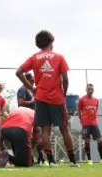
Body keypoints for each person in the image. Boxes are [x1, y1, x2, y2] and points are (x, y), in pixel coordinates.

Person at [16, 30, 78, 167]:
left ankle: (50, 161)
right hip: (57, 98)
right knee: (64, 129)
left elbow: (18, 72)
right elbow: (65, 79)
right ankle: (73, 161)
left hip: (41, 98)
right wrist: (64, 93)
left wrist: (31, 88)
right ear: (51, 42)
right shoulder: (59, 57)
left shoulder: (34, 57)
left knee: (46, 130)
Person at [18, 72, 45, 165]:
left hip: (34, 116)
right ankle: (27, 156)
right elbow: (20, 103)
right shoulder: (23, 89)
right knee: (29, 138)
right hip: (26, 117)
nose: (34, 81)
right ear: (27, 80)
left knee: (37, 137)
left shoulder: (32, 90)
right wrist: (32, 101)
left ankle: (40, 156)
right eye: (32, 79)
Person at [78, 83, 102, 165]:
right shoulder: (81, 100)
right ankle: (89, 160)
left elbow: (96, 111)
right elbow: (79, 112)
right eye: (89, 89)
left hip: (94, 124)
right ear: (86, 90)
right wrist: (82, 121)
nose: (90, 90)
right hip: (86, 124)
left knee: (100, 140)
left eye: (92, 89)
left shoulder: (96, 100)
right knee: (87, 141)